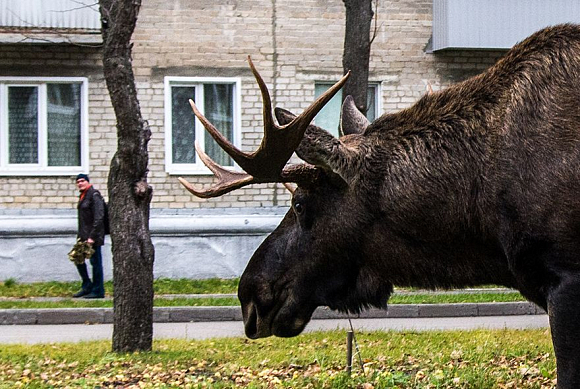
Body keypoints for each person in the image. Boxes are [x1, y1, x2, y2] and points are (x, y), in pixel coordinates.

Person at [73, 173, 106, 299]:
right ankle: (87, 285)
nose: (80, 183)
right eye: (78, 182)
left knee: (95, 263)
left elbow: (99, 217)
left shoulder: (94, 195)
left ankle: (98, 290)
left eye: (82, 181)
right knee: (77, 258)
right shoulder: (83, 196)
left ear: (87, 182)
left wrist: (92, 236)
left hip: (93, 237)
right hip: (83, 236)